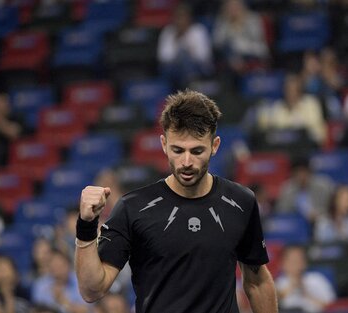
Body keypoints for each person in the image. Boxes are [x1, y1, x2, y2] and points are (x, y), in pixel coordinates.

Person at [75, 90, 278, 313]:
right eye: (178, 150)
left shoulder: (241, 202)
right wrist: (86, 225)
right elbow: (91, 290)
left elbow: (257, 282)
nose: (187, 162)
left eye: (197, 150)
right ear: (163, 144)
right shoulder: (133, 207)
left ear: (215, 145)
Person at [157, 3, 213, 88]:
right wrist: (176, 41)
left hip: (197, 67)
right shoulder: (168, 32)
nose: (181, 21)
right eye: (178, 18)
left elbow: (204, 56)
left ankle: (188, 85)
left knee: (186, 58)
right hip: (174, 69)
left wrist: (188, 43)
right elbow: (163, 57)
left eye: (183, 17)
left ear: (189, 18)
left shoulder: (198, 30)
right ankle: (189, 86)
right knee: (179, 59)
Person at [213, 0, 269, 74]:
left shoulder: (252, 19)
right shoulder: (222, 21)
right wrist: (227, 24)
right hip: (230, 59)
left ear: (242, 7)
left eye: (236, 6)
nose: (233, 9)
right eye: (230, 7)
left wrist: (241, 47)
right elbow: (217, 42)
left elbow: (260, 44)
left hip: (252, 55)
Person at [276, 246, 336, 313]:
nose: (297, 265)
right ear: (284, 264)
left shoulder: (317, 279)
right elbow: (272, 306)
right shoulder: (278, 284)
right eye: (293, 261)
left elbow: (333, 307)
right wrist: (290, 288)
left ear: (305, 262)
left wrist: (307, 294)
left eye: (299, 260)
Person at [275, 157, 335, 223]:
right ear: (293, 174)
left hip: (321, 221)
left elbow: (333, 207)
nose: (301, 176)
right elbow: (282, 212)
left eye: (304, 172)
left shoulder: (324, 185)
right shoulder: (287, 189)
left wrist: (319, 214)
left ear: (310, 172)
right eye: (298, 173)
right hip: (297, 224)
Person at [32, 249, 90, 313]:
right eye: (55, 266)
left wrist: (64, 302)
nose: (58, 269)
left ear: (68, 264)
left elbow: (86, 310)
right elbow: (36, 310)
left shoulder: (80, 282)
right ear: (50, 268)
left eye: (61, 265)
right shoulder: (41, 285)